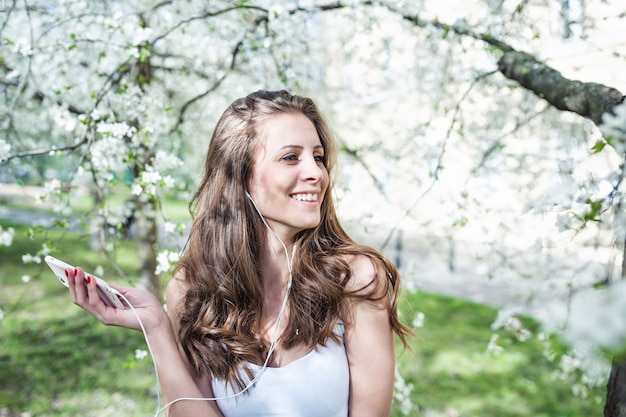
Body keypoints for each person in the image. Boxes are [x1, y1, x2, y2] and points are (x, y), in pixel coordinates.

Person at [66, 90, 413, 416]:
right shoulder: (194, 290)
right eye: (291, 157)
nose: (316, 173)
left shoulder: (355, 279)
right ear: (240, 175)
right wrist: (156, 327)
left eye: (318, 157)